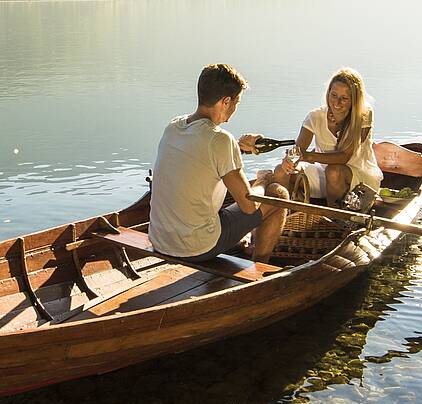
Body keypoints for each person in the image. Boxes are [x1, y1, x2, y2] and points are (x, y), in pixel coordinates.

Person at [149, 63, 294, 264]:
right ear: (226, 102)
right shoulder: (220, 140)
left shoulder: (173, 127)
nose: (235, 109)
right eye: (237, 103)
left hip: (159, 239)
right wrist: (263, 180)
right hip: (196, 247)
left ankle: (239, 241)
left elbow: (201, 148)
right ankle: (259, 268)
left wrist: (241, 148)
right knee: (278, 194)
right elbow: (249, 207)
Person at [293, 67, 382, 210]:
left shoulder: (364, 114)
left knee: (334, 172)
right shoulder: (315, 116)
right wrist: (290, 162)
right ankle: (280, 217)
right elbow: (298, 151)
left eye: (344, 98)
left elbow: (344, 157)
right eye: (333, 95)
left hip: (360, 178)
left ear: (354, 100)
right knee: (284, 170)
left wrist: (309, 156)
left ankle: (335, 220)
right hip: (324, 174)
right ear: (328, 93)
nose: (337, 102)